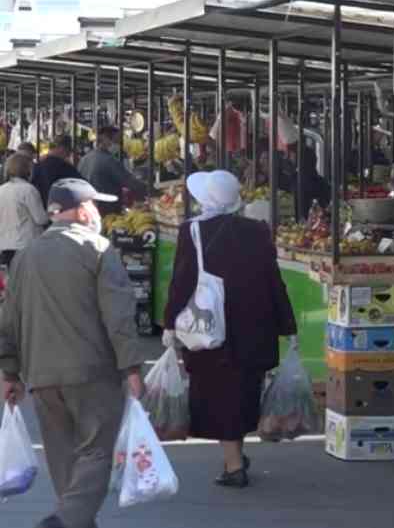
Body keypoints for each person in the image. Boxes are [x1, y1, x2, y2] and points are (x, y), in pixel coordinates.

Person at [0, 178, 145, 528]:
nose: (97, 212)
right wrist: (132, 367)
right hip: (92, 372)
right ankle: (65, 521)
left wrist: (10, 372)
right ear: (81, 211)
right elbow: (119, 315)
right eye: (95, 206)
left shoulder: (25, 257)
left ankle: (77, 521)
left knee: (63, 455)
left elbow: (8, 318)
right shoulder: (98, 249)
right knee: (96, 451)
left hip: (41, 375)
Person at [163, 170, 297, 488]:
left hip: (210, 331)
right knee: (242, 393)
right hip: (254, 329)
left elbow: (181, 283)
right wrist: (287, 324)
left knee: (219, 397)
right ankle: (234, 457)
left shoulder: (193, 231)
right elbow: (273, 280)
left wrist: (170, 324)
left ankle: (234, 465)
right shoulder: (257, 231)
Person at [78, 126, 146, 214]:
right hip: (105, 211)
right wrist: (151, 191)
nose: (118, 144)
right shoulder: (108, 160)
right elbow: (129, 182)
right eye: (116, 141)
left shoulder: (84, 159)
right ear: (106, 139)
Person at [0, 153, 49, 267]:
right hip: (26, 245)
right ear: (28, 169)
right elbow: (40, 219)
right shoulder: (28, 190)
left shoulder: (1, 189)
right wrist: (52, 212)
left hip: (5, 244)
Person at [31, 134, 83, 206]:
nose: (69, 154)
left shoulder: (37, 166)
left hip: (41, 209)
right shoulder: (65, 168)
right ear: (62, 148)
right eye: (68, 150)